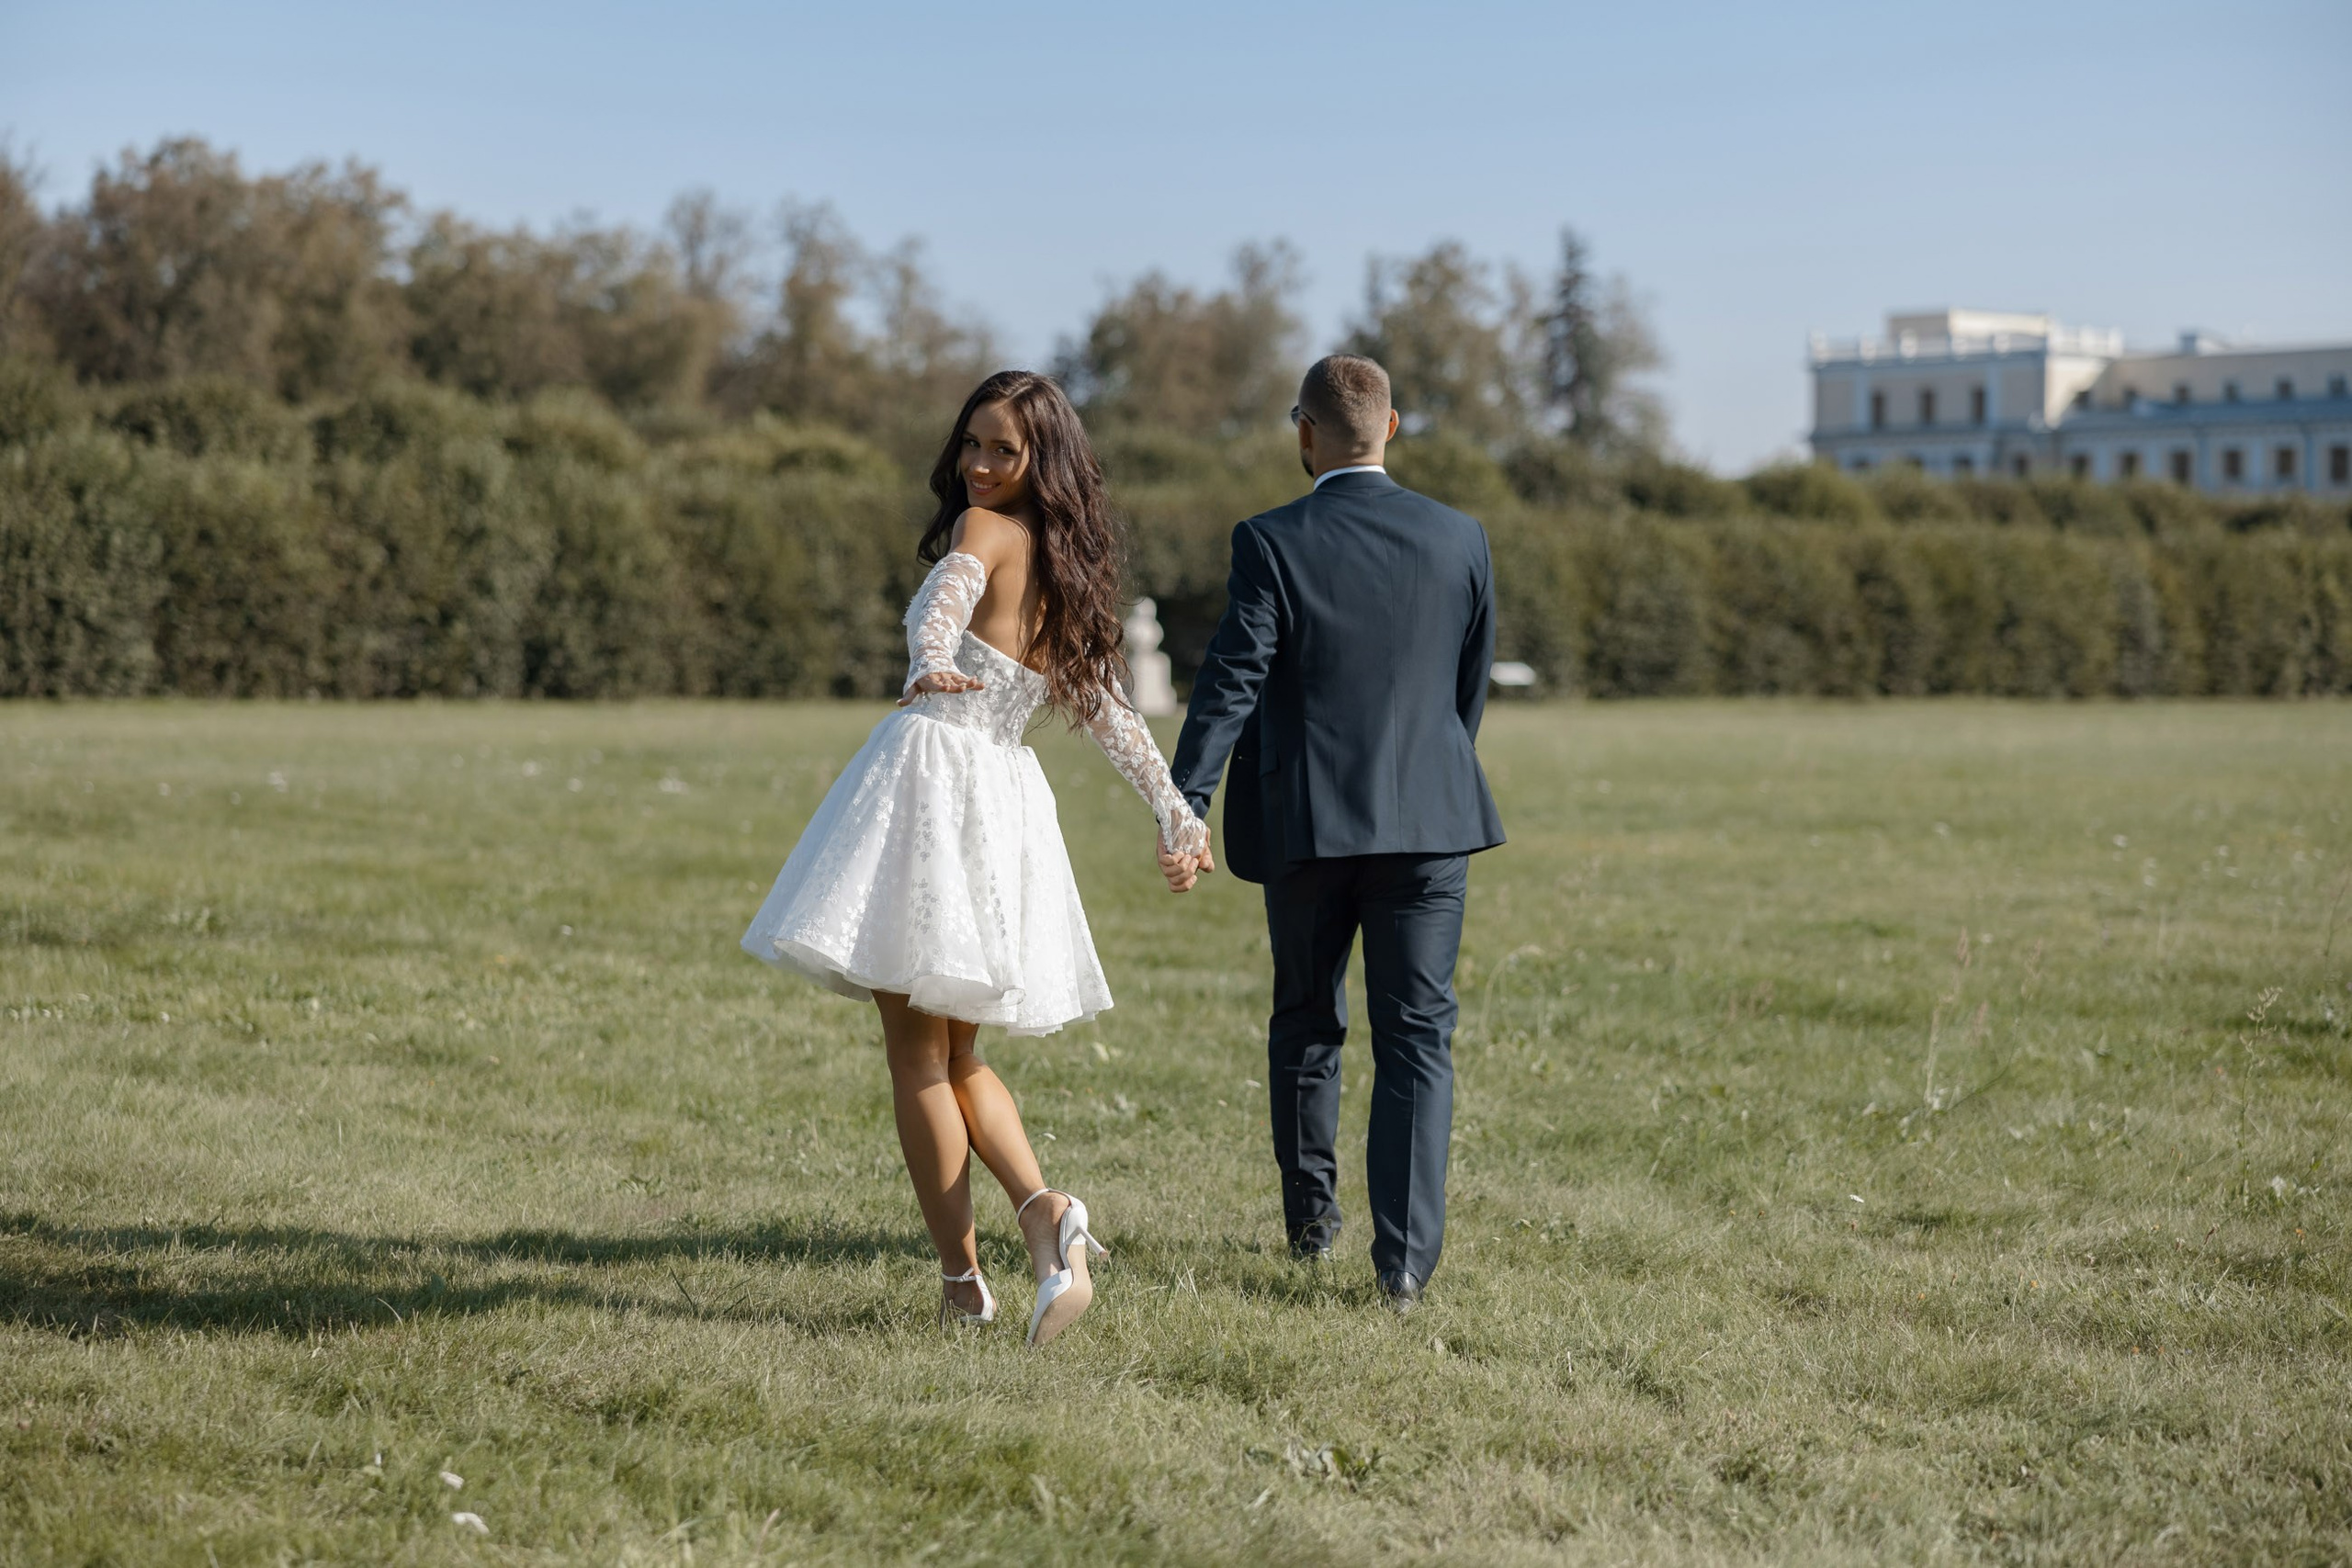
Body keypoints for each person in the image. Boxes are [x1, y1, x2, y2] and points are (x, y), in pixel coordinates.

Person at [741, 370, 1208, 1348]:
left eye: (1004, 449)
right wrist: (1174, 812)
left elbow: (942, 608)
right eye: (972, 445)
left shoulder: (983, 534)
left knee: (916, 1054)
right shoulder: (1064, 571)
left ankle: (965, 1281)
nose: (982, 466)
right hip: (1001, 797)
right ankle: (1043, 1213)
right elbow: (1111, 713)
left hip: (939, 783)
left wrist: (926, 651)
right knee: (957, 1052)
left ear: (1045, 461)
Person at [1168, 354, 1505, 1315]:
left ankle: (1312, 1225)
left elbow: (1231, 677)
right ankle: (1402, 1271)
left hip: (1306, 824)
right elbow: (1464, 692)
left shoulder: (1269, 539)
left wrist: (1183, 800)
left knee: (1307, 1020)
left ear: (1303, 433)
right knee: (1417, 1040)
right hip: (1431, 822)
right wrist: (1430, 778)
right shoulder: (1461, 537)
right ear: (1391, 428)